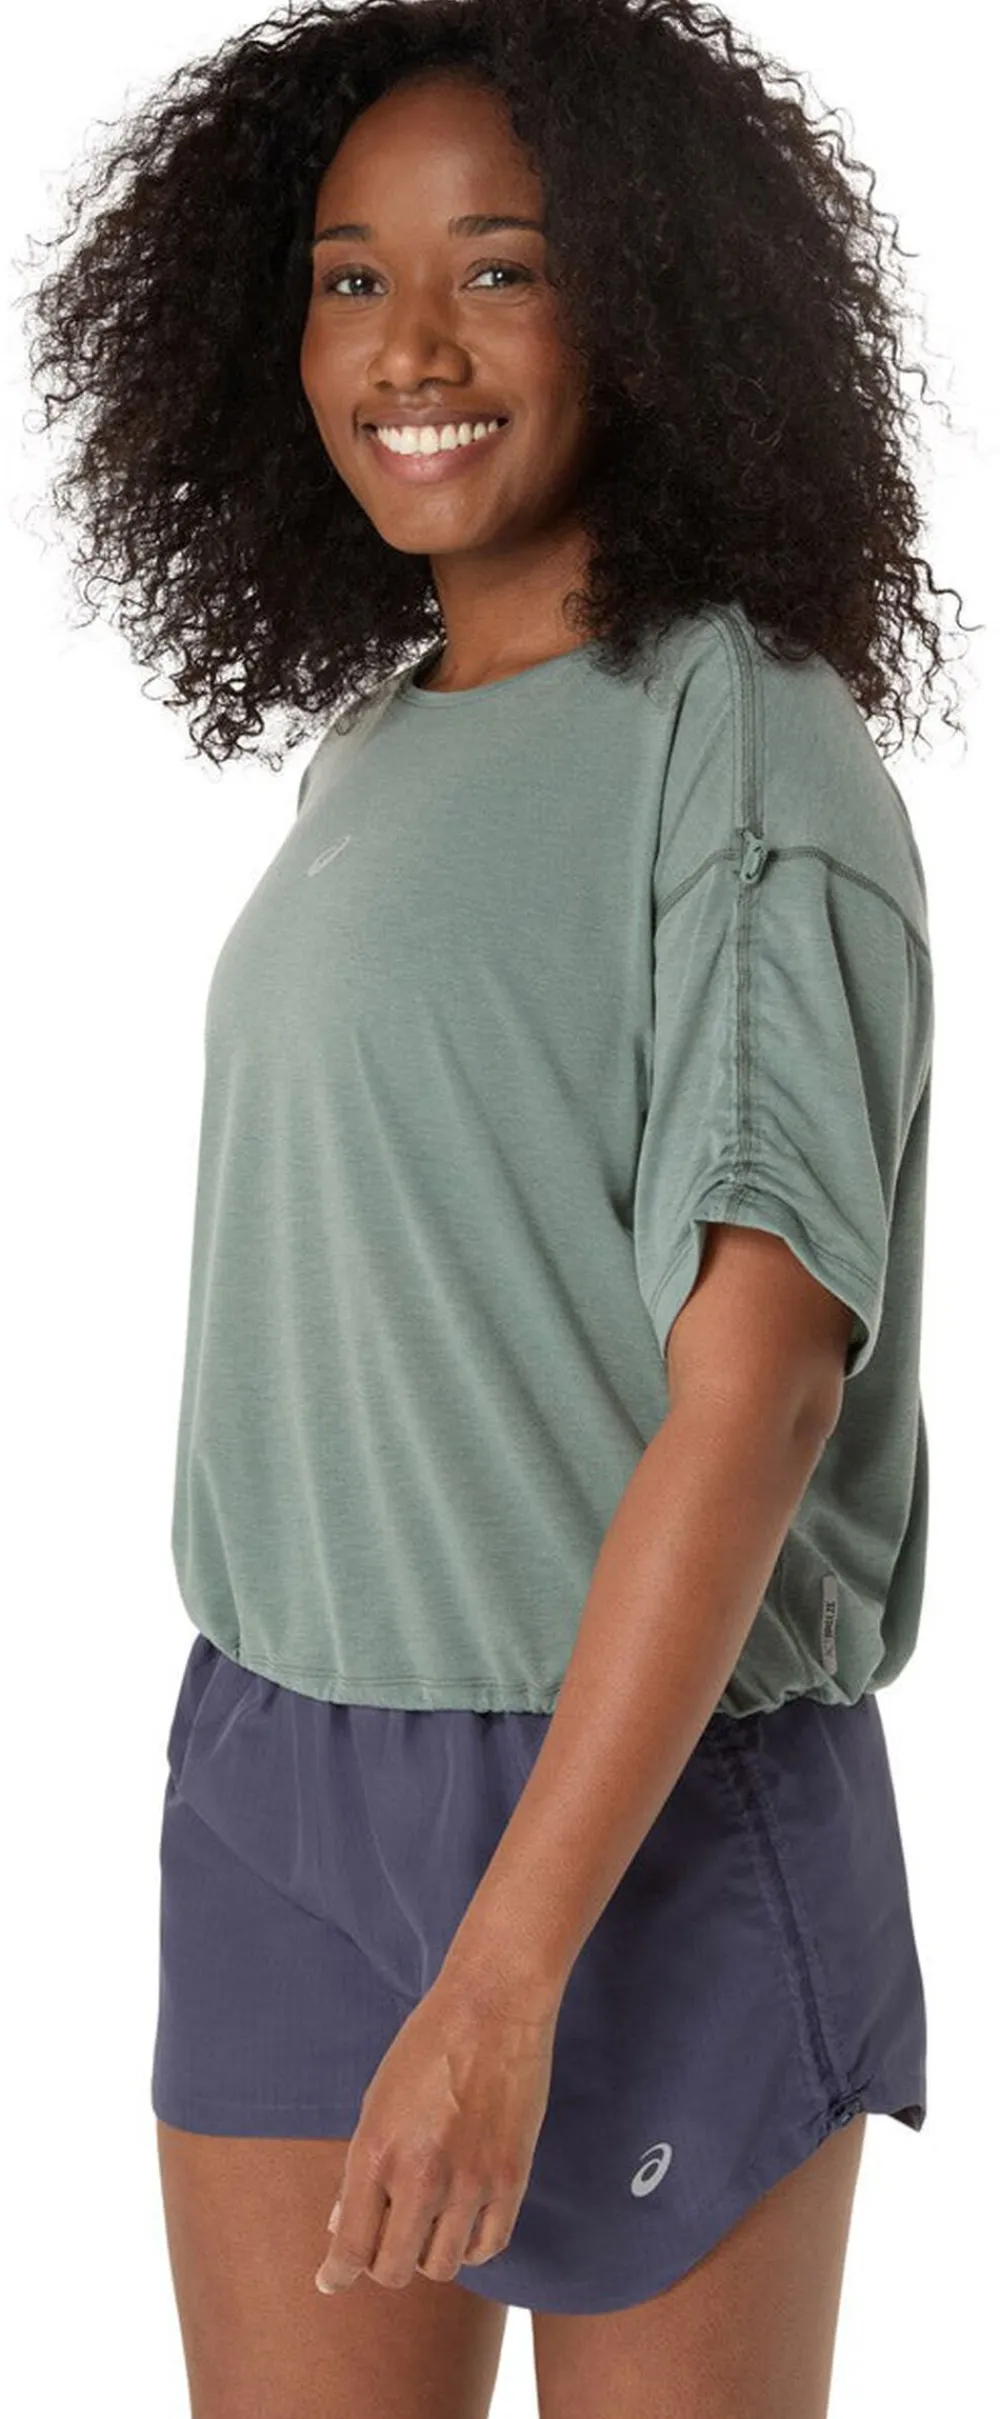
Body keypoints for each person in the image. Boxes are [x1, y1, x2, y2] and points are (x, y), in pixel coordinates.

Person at [23, 1, 964, 2411]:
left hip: (630, 1798)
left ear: (649, 303)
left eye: (498, 269)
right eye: (348, 278)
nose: (408, 347)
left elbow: (756, 1394)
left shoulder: (736, 737)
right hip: (280, 1767)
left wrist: (508, 1966)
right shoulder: (373, 751)